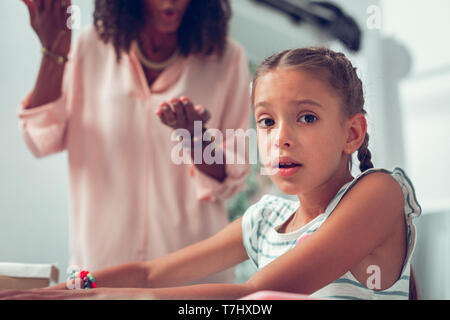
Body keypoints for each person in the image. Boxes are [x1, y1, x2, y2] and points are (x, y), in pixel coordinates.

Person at [3, 47, 421, 300]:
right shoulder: (264, 221)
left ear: (352, 132)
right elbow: (149, 273)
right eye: (266, 122)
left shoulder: (378, 193)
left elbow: (253, 296)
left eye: (307, 117)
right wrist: (66, 290)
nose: (282, 138)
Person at [17, 0, 251, 283]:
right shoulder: (92, 45)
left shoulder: (227, 58)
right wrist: (54, 52)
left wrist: (196, 139)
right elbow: (40, 140)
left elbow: (231, 183)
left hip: (193, 279)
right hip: (101, 272)